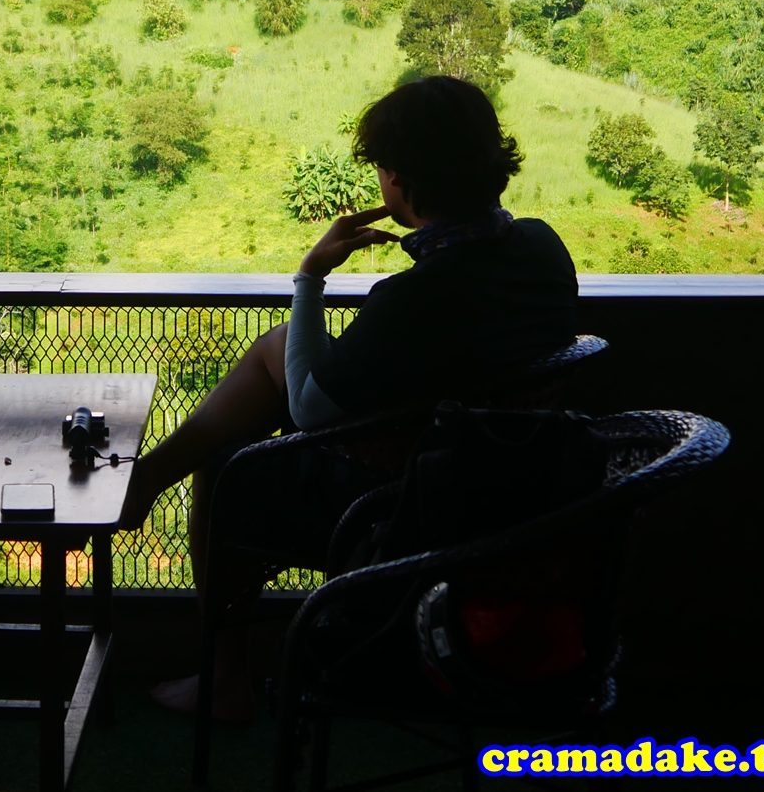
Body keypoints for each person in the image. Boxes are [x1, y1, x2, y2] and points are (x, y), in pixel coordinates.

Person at [115, 74, 578, 720]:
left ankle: (224, 676)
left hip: (398, 514)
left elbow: (307, 408)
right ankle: (149, 480)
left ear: (396, 181)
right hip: (506, 492)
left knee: (228, 475)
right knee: (282, 349)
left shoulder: (418, 300)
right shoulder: (540, 248)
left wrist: (310, 276)